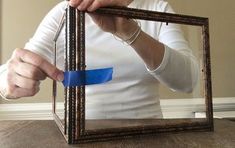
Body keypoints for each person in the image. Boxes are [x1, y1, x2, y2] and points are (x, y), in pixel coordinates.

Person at [0, 0, 199, 118]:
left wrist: (131, 33)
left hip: (151, 137)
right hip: (81, 140)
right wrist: (8, 81)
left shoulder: (157, 7)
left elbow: (188, 81)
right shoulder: (63, 14)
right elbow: (14, 71)